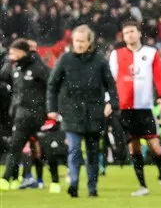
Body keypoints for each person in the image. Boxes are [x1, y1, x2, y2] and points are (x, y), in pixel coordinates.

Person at [46, 25, 119, 198]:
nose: (78, 44)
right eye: (76, 41)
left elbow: (111, 85)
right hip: (71, 112)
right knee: (74, 149)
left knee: (93, 153)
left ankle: (92, 188)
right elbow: (52, 85)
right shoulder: (65, 60)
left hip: (95, 112)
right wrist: (52, 109)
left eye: (81, 41)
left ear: (89, 42)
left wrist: (112, 104)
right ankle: (74, 184)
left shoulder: (100, 61)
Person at [109, 21, 161, 196]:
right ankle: (143, 186)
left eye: (132, 31)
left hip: (145, 107)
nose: (129, 35)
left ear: (139, 33)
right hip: (125, 108)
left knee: (155, 145)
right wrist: (109, 101)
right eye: (126, 32)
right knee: (134, 147)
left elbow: (159, 76)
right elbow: (111, 80)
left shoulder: (151, 53)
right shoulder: (116, 54)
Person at [0, 40, 51, 192]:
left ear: (24, 51)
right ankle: (17, 178)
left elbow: (51, 82)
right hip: (19, 115)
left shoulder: (37, 67)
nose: (11, 55)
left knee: (34, 149)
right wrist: (9, 62)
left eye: (14, 52)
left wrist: (48, 107)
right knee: (19, 147)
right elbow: (3, 76)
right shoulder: (15, 67)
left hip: (35, 115)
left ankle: (12, 178)